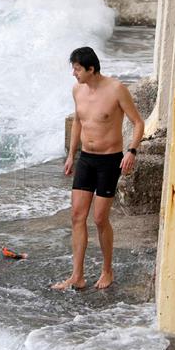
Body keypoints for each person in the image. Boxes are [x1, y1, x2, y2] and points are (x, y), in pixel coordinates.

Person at [52, 47, 144, 290]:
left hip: (109, 160)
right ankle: (77, 276)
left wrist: (131, 151)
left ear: (91, 69)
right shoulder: (77, 90)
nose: (74, 73)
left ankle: (107, 270)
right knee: (76, 216)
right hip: (86, 159)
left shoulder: (116, 90)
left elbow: (138, 122)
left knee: (100, 218)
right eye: (73, 68)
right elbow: (78, 123)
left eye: (77, 68)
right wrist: (71, 155)